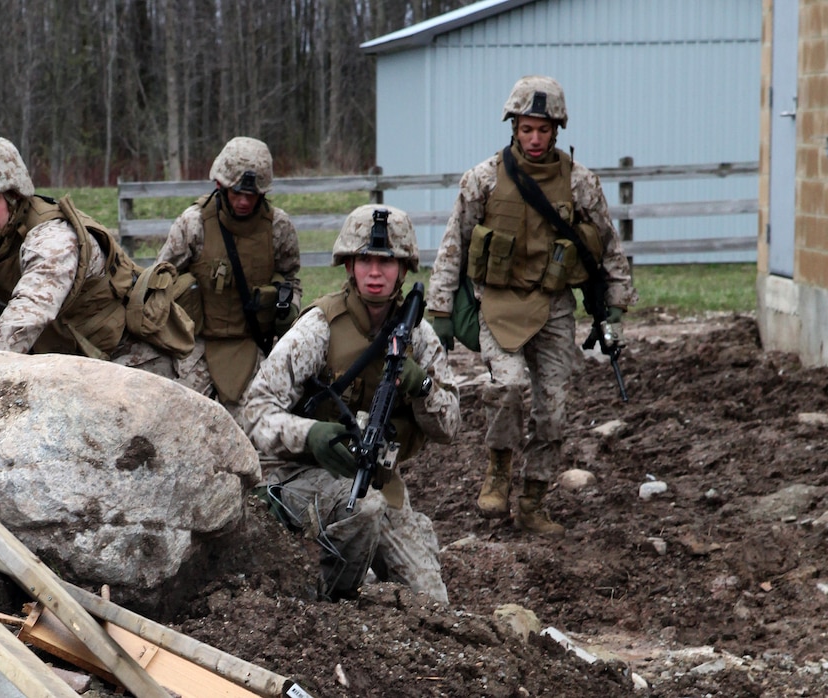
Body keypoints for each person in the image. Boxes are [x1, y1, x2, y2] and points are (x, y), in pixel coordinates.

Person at [428, 75, 638, 537]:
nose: (536, 138)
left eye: (544, 130)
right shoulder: (482, 179)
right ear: (514, 128)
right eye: (527, 129)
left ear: (557, 129)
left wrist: (616, 308)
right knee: (506, 388)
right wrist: (440, 311)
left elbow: (607, 248)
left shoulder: (580, 183)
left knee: (553, 408)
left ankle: (534, 501)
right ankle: (498, 472)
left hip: (554, 307)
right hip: (498, 302)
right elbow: (453, 247)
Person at [242, 204, 459, 603]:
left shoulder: (420, 336)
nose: (374, 272)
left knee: (433, 603)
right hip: (298, 474)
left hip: (377, 479)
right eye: (365, 260)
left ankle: (379, 558)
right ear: (348, 265)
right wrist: (311, 435)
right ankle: (328, 605)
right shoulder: (319, 327)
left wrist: (422, 384)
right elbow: (255, 412)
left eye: (386, 261)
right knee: (364, 511)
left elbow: (449, 428)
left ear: (404, 268)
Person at [0, 136, 192, 375]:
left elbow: (25, 318)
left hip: (129, 360)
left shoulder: (53, 238)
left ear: (13, 196)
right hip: (61, 365)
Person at [155, 136, 301, 413]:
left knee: (261, 424)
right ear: (219, 186)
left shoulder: (278, 227)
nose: (244, 201)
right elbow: (161, 277)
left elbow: (291, 278)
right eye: (237, 192)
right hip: (195, 344)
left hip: (254, 341)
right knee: (183, 417)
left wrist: (286, 309)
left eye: (252, 194)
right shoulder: (194, 224)